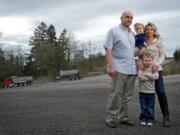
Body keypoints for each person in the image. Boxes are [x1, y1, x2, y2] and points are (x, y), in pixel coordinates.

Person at [103, 10, 137, 128]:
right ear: (121, 18)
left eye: (131, 18)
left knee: (127, 96)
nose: (129, 19)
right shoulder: (113, 31)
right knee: (116, 94)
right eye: (127, 17)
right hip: (119, 68)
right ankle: (111, 118)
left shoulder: (132, 34)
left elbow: (131, 51)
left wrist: (138, 52)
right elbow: (108, 48)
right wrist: (111, 66)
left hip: (131, 69)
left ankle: (123, 117)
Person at [136, 22, 171, 127]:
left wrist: (157, 64)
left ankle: (166, 116)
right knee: (145, 93)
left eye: (151, 29)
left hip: (156, 69)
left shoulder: (158, 42)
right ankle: (146, 116)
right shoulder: (142, 42)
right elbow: (139, 56)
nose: (149, 31)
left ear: (154, 31)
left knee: (160, 91)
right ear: (145, 31)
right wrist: (140, 60)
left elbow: (162, 56)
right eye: (147, 29)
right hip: (146, 70)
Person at [138, 52, 159, 126]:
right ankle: (143, 118)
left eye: (150, 60)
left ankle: (150, 119)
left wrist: (146, 75)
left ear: (152, 61)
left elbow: (156, 77)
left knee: (150, 107)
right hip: (142, 91)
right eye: (146, 60)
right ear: (143, 61)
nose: (148, 62)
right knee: (143, 107)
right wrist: (150, 77)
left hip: (151, 92)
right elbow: (140, 77)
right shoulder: (141, 68)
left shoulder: (154, 68)